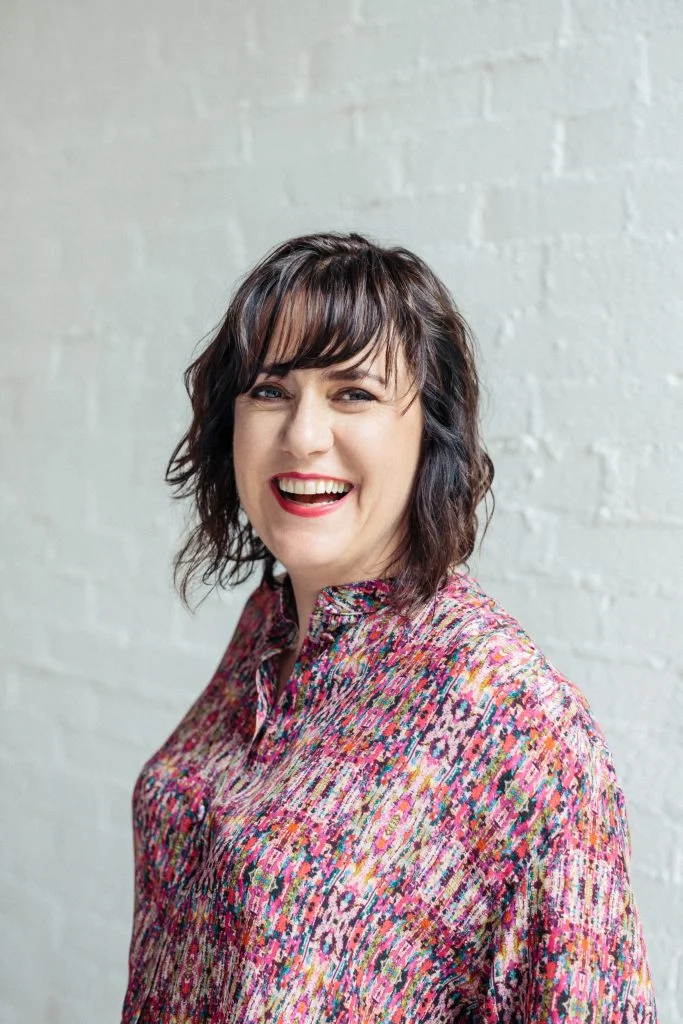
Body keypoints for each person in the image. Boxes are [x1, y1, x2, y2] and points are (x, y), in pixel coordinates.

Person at [121, 232, 657, 1023]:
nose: (302, 434)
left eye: (353, 394)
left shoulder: (517, 724)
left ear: (429, 430)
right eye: (269, 390)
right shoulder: (268, 628)